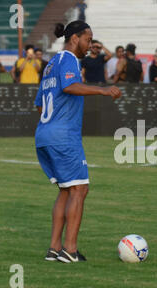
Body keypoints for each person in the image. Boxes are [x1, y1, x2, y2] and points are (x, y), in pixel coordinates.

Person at [35, 21, 122, 263]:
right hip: (64, 137)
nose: (90, 44)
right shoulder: (69, 59)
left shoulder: (50, 65)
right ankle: (70, 250)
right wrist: (103, 91)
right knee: (80, 189)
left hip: (44, 134)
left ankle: (54, 248)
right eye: (88, 39)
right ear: (74, 38)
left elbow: (40, 104)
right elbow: (71, 86)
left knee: (66, 190)